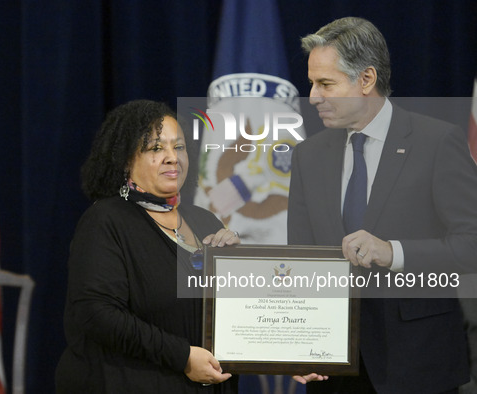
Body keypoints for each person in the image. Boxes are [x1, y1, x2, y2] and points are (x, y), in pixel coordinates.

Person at [287, 17, 477, 393]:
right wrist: (298, 343)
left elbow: (472, 245)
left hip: (418, 365)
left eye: (326, 84)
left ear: (367, 80)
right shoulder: (308, 155)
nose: (312, 97)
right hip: (334, 366)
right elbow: (302, 258)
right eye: (312, 83)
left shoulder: (437, 142)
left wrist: (394, 253)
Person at [55, 100, 240, 393]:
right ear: (127, 160)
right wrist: (183, 357)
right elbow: (96, 314)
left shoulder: (205, 221)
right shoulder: (105, 220)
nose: (171, 157)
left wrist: (237, 264)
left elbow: (237, 318)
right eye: (156, 148)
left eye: (178, 147)